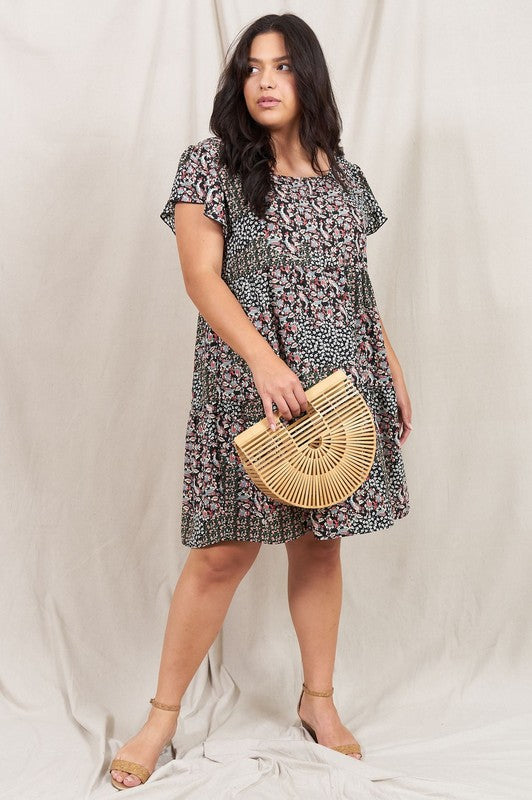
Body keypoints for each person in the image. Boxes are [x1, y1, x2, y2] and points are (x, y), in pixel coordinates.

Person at [109, 11, 412, 790]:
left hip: (343, 390)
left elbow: (356, 287)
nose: (265, 81)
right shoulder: (208, 165)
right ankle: (161, 719)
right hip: (248, 387)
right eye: (252, 67)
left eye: (281, 66)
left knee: (322, 541)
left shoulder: (343, 174)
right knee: (221, 553)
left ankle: (319, 702)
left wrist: (393, 369)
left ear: (308, 78)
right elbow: (200, 278)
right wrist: (267, 364)